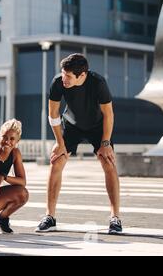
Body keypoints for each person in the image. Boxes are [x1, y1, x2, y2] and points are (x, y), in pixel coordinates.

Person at [35, 53, 123, 234]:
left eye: (68, 76)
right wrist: (59, 143)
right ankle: (49, 217)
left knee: (109, 163)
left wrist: (105, 143)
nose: (64, 78)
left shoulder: (98, 83)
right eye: (63, 73)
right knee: (56, 160)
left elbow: (109, 114)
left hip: (98, 126)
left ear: (82, 75)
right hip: (72, 124)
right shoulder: (58, 82)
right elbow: (53, 114)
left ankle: (115, 218)